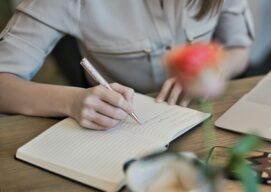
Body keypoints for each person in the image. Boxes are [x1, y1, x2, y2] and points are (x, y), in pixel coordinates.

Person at [0, 0, 254, 130]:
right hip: (118, 130)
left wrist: (212, 72)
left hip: (204, 121)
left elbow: (239, 48)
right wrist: (72, 101)